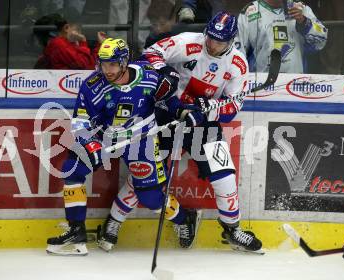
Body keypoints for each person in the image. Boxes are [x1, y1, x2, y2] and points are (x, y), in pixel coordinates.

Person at [99, 11, 263, 254]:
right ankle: (113, 221)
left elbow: (232, 107)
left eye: (220, 41)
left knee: (225, 176)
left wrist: (211, 111)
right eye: (211, 37)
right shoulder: (187, 41)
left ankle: (232, 230)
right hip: (166, 114)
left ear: (231, 41)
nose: (213, 44)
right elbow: (151, 54)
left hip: (203, 125)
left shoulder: (238, 64)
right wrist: (166, 71)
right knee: (144, 175)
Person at [46, 38, 201, 256]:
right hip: (105, 136)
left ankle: (185, 218)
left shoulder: (148, 76)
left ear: (124, 62)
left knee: (151, 198)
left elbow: (166, 100)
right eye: (103, 63)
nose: (106, 70)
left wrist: (183, 112)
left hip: (141, 139)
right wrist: (89, 142)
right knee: (73, 168)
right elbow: (80, 120)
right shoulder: (92, 86)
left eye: (112, 64)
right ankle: (76, 230)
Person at [236, 0, 327, 73]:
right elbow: (237, 55)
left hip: (296, 83)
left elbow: (321, 41)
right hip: (262, 83)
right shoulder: (249, 11)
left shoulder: (301, 8)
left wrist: (304, 21)